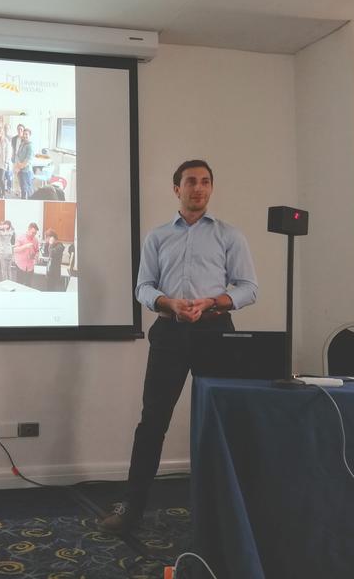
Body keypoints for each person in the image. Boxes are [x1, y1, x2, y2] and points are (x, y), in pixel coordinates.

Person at [98, 160, 258, 535]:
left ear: (211, 189)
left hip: (216, 333)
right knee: (153, 421)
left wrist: (212, 303)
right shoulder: (156, 237)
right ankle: (133, 507)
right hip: (170, 334)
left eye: (205, 182)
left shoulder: (229, 236)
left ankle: (224, 510)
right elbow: (143, 288)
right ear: (176, 190)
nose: (198, 188)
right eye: (190, 182)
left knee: (218, 423)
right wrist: (170, 304)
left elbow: (249, 287)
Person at [14, 128, 34, 199]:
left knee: (27, 190)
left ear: (30, 135)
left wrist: (18, 167)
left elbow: (28, 160)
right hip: (20, 170)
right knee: (22, 188)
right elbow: (17, 155)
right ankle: (23, 203)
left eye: (27, 134)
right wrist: (17, 165)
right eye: (24, 134)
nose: (25, 136)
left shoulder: (30, 146)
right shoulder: (22, 143)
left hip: (26, 171)